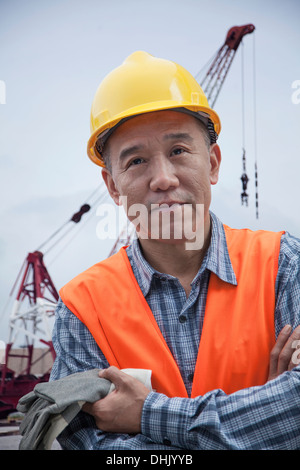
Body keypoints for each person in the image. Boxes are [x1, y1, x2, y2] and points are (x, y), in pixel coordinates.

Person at [50, 51, 300, 450]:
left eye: (179, 151)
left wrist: (147, 415)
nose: (163, 179)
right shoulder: (82, 308)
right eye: (136, 161)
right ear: (113, 186)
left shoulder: (284, 265)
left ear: (214, 163)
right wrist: (261, 421)